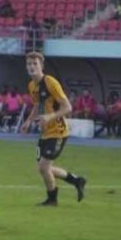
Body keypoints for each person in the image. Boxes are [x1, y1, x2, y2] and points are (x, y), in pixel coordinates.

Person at [20, 52, 86, 206]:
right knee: (44, 168)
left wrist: (50, 117)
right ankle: (77, 180)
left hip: (58, 132)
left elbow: (68, 107)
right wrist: (28, 121)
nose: (31, 67)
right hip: (45, 133)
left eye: (34, 64)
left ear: (41, 66)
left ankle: (52, 199)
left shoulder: (50, 82)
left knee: (44, 167)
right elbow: (37, 105)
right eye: (29, 64)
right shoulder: (32, 85)